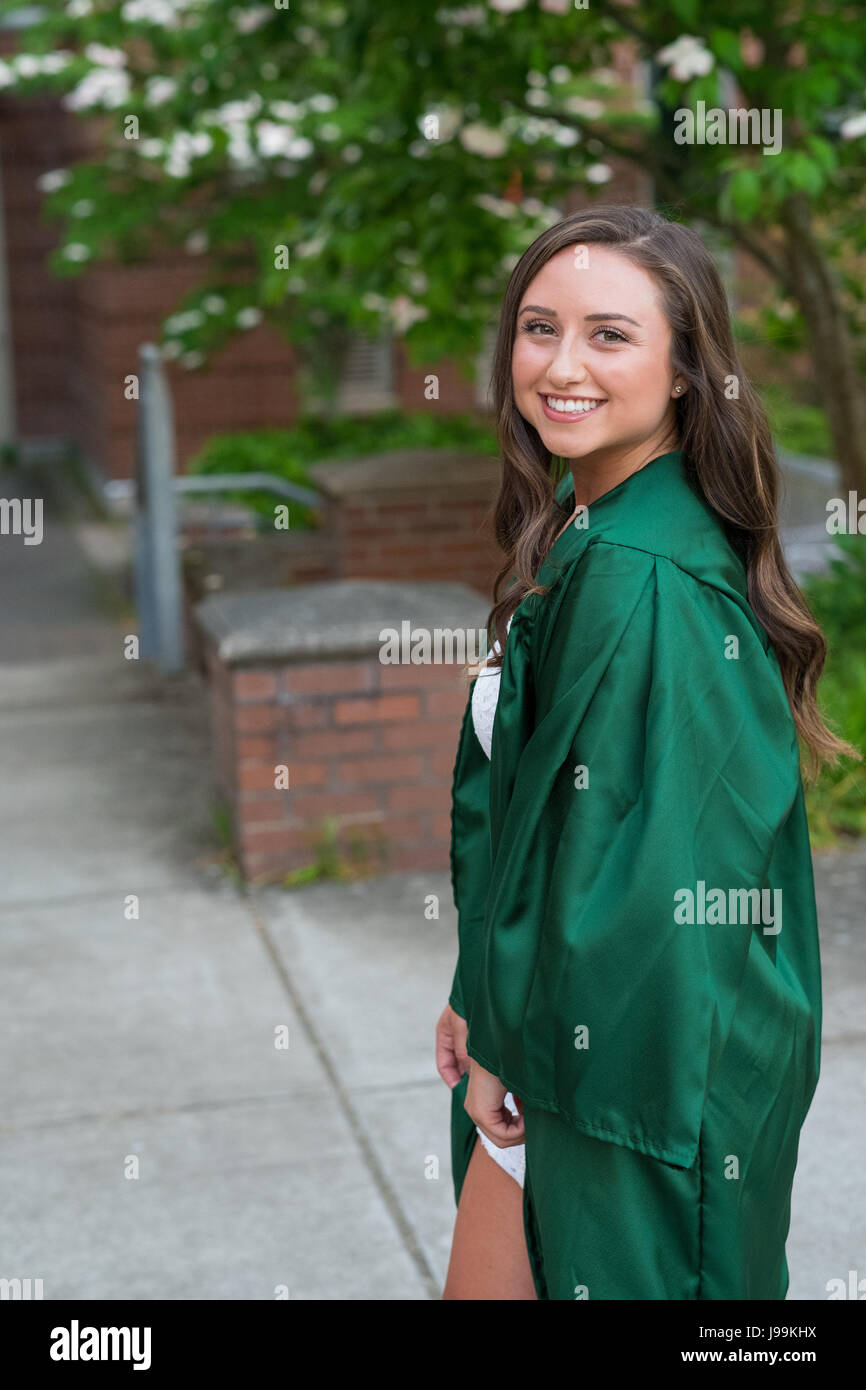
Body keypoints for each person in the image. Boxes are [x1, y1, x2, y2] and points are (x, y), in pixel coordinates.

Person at [435, 204, 860, 1301]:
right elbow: (551, 822)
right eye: (538, 328)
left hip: (632, 1074)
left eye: (608, 335)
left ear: (683, 371)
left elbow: (648, 888)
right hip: (585, 1043)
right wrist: (479, 986)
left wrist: (508, 1037)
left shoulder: (644, 575)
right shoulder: (602, 528)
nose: (559, 365)